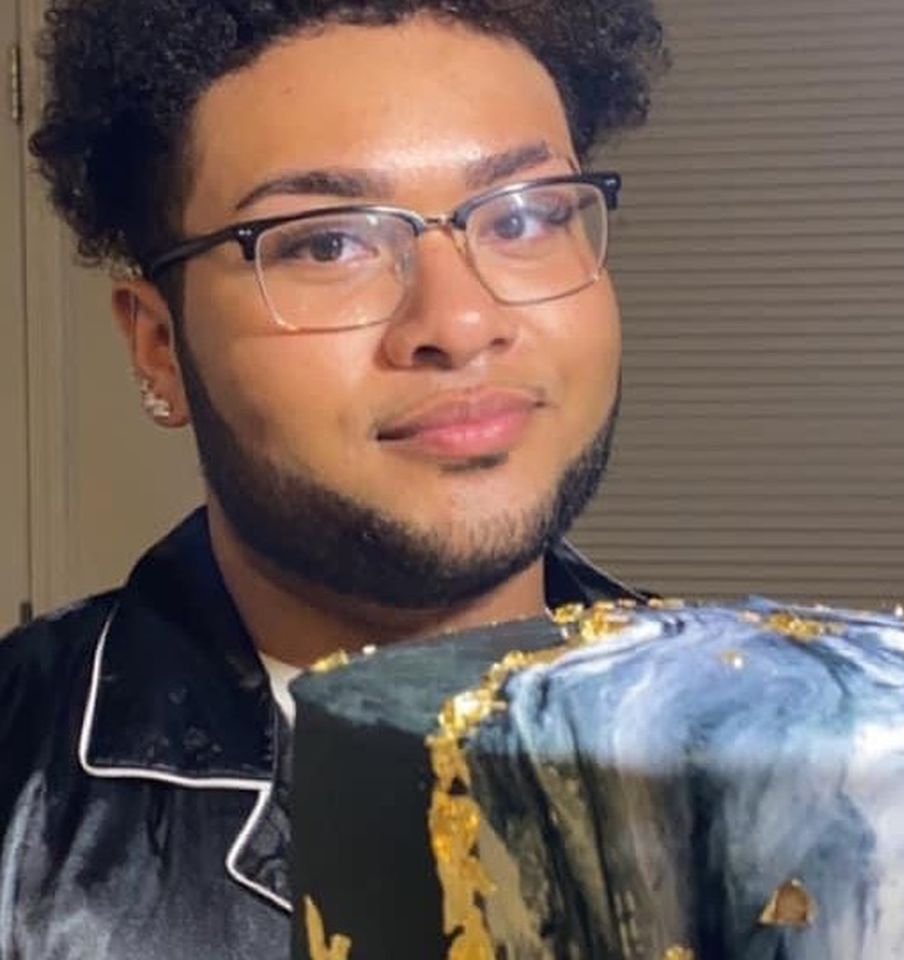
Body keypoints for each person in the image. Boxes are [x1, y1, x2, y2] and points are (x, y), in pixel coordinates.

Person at [0, 0, 665, 956]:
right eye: (326, 243)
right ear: (159, 346)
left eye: (525, 217)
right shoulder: (21, 801)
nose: (461, 322)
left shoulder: (797, 747)